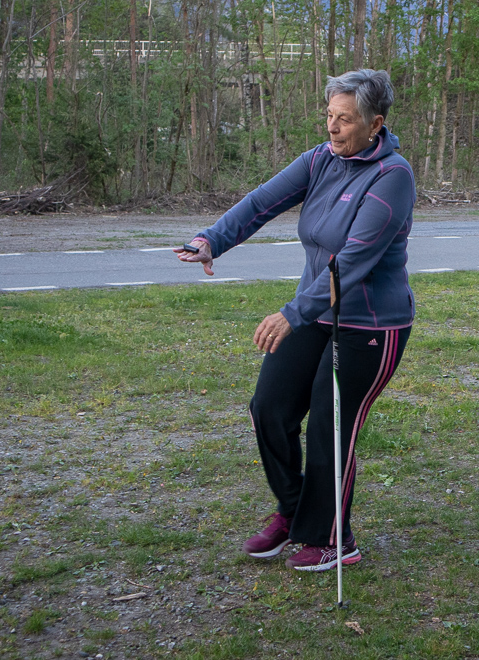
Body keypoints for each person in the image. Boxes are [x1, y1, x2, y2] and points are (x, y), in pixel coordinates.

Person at [175, 69, 415, 570]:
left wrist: (292, 313)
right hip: (315, 310)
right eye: (329, 115)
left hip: (370, 325)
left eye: (344, 120)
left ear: (376, 124)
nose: (332, 127)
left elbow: (350, 262)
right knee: (270, 407)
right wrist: (211, 239)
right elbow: (262, 202)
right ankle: (293, 512)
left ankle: (334, 538)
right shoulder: (320, 160)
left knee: (331, 425)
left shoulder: (394, 178)